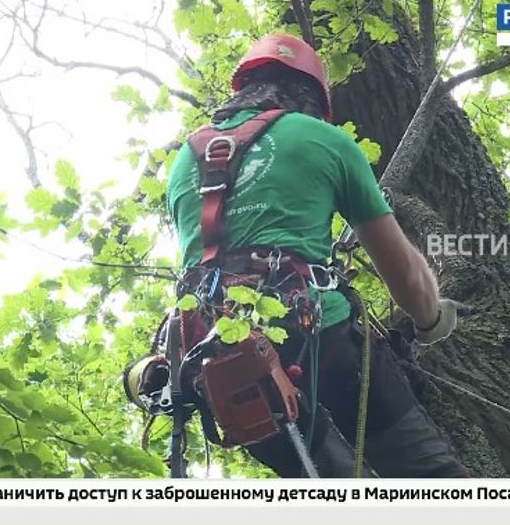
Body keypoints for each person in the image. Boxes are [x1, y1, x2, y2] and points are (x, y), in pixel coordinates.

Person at [164, 33, 469, 478]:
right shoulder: (323, 139)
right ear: (309, 94)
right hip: (320, 338)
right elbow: (405, 277)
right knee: (433, 479)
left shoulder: (183, 163)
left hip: (222, 367)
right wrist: (433, 319)